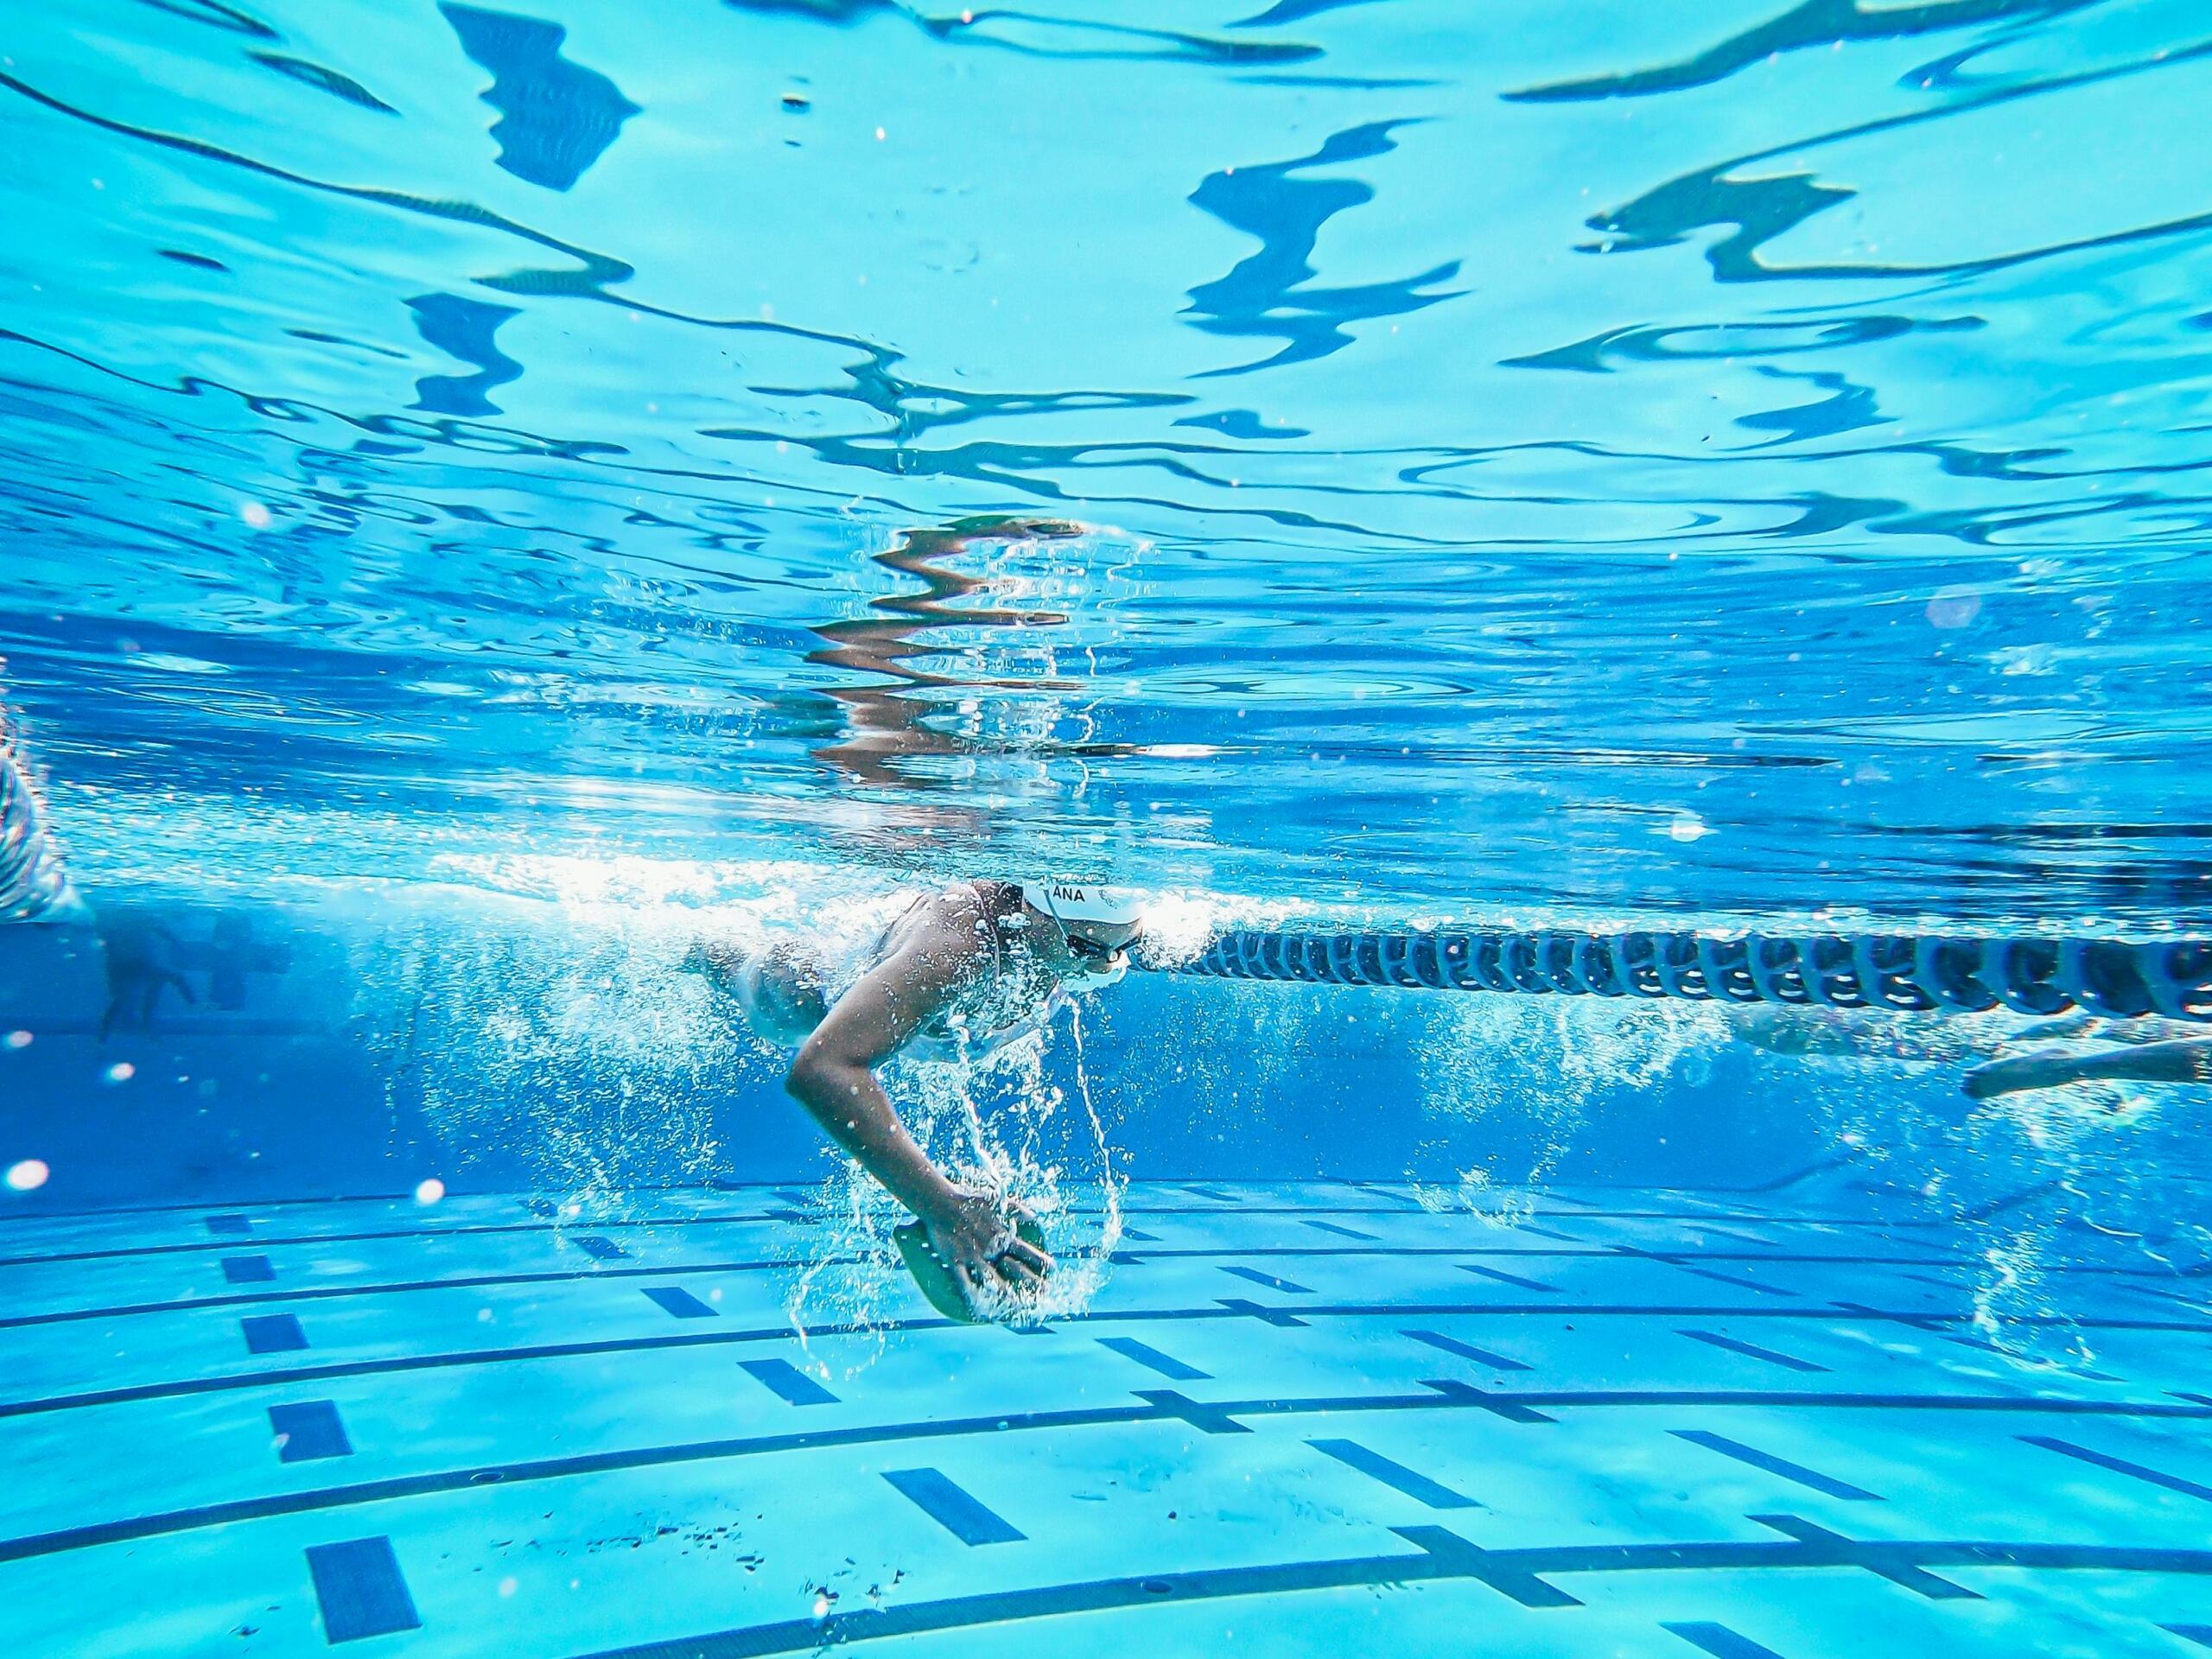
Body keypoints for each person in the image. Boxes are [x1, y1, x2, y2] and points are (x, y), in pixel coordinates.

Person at [690, 878, 1145, 1306]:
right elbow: (821, 1068)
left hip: (936, 1022)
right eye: (1086, 948)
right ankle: (693, 945)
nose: (1107, 966)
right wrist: (941, 1206)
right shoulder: (956, 950)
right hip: (814, 991)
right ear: (1033, 913)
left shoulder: (1085, 933)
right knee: (759, 994)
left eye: (1126, 947)